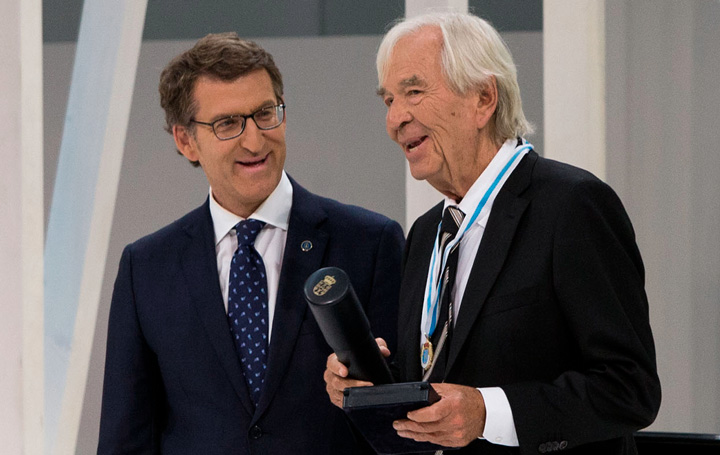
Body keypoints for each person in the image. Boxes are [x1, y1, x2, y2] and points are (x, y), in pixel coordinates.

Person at [325, 12, 661, 454]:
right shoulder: (428, 234)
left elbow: (630, 388)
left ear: (483, 98)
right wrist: (368, 385)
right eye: (388, 100)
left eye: (413, 92)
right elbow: (435, 384)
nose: (395, 120)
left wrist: (489, 412)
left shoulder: (571, 206)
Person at [98, 32, 404, 454]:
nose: (255, 141)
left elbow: (400, 424)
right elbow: (125, 439)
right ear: (185, 140)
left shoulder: (371, 243)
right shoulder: (146, 268)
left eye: (265, 114)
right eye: (227, 124)